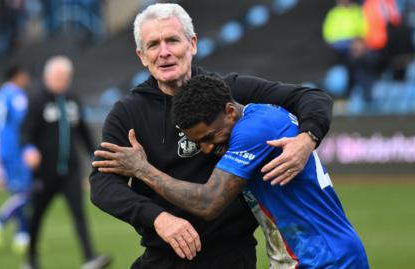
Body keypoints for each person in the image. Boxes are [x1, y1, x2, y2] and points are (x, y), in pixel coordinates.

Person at [89, 3, 333, 268]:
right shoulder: (128, 113)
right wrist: (158, 218)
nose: (165, 53)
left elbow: (311, 97)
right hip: (165, 255)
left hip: (231, 255)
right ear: (142, 56)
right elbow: (102, 185)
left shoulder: (228, 91)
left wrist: (307, 139)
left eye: (172, 40)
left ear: (192, 44)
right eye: (153, 45)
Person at [93, 74, 370, 268]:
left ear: (229, 110)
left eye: (210, 137)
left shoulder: (253, 131)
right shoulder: (253, 119)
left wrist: (142, 169)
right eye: (198, 142)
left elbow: (208, 202)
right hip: (311, 256)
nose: (207, 149)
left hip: (325, 259)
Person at [20, 55, 111, 269]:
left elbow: (83, 131)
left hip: (70, 170)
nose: (62, 80)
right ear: (46, 76)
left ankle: (90, 258)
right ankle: (31, 260)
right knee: (37, 215)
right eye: (57, 76)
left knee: (79, 214)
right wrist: (28, 149)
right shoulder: (37, 101)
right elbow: (25, 132)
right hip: (44, 171)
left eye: (65, 76)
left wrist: (95, 155)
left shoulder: (72, 100)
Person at [0, 65, 32, 255]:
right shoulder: (16, 95)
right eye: (25, 75)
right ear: (17, 76)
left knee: (18, 192)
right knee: (26, 193)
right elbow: (22, 121)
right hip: (15, 148)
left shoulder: (0, 94)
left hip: (2, 145)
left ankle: (22, 236)